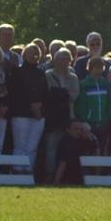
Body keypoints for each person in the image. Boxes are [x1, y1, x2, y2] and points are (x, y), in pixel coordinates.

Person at [7, 42, 48, 174]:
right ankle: (17, 171)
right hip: (21, 114)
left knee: (32, 147)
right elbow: (15, 93)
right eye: (30, 52)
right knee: (20, 146)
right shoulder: (17, 72)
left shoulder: (41, 73)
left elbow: (45, 93)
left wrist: (40, 109)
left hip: (38, 116)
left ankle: (28, 172)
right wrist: (31, 106)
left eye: (36, 53)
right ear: (24, 55)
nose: (33, 55)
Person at [43, 47, 80, 183]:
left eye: (66, 59)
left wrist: (59, 93)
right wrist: (63, 93)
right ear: (55, 60)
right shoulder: (48, 75)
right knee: (51, 147)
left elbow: (74, 96)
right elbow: (49, 95)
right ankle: (49, 175)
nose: (64, 61)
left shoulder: (73, 77)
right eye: (61, 58)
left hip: (68, 117)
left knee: (67, 148)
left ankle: (65, 177)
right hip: (52, 117)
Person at [75, 56, 111, 151]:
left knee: (102, 147)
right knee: (89, 148)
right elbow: (81, 104)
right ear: (90, 68)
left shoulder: (105, 83)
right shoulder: (84, 84)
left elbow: (108, 102)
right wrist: (84, 120)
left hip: (103, 122)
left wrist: (107, 117)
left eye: (100, 67)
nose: (99, 70)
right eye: (96, 67)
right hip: (90, 122)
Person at [54, 119, 98, 185]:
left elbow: (96, 154)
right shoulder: (65, 141)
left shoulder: (85, 139)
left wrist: (88, 138)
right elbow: (62, 163)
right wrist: (57, 180)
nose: (79, 131)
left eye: (81, 129)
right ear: (68, 130)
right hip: (69, 176)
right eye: (76, 129)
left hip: (84, 174)